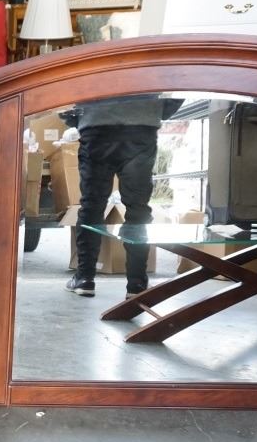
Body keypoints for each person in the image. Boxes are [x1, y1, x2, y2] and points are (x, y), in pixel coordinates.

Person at [64, 95, 181, 298]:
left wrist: (77, 117)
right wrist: (154, 110)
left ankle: (85, 278)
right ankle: (136, 284)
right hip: (141, 124)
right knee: (138, 208)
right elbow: (176, 83)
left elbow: (67, 89)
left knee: (91, 205)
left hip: (96, 124)